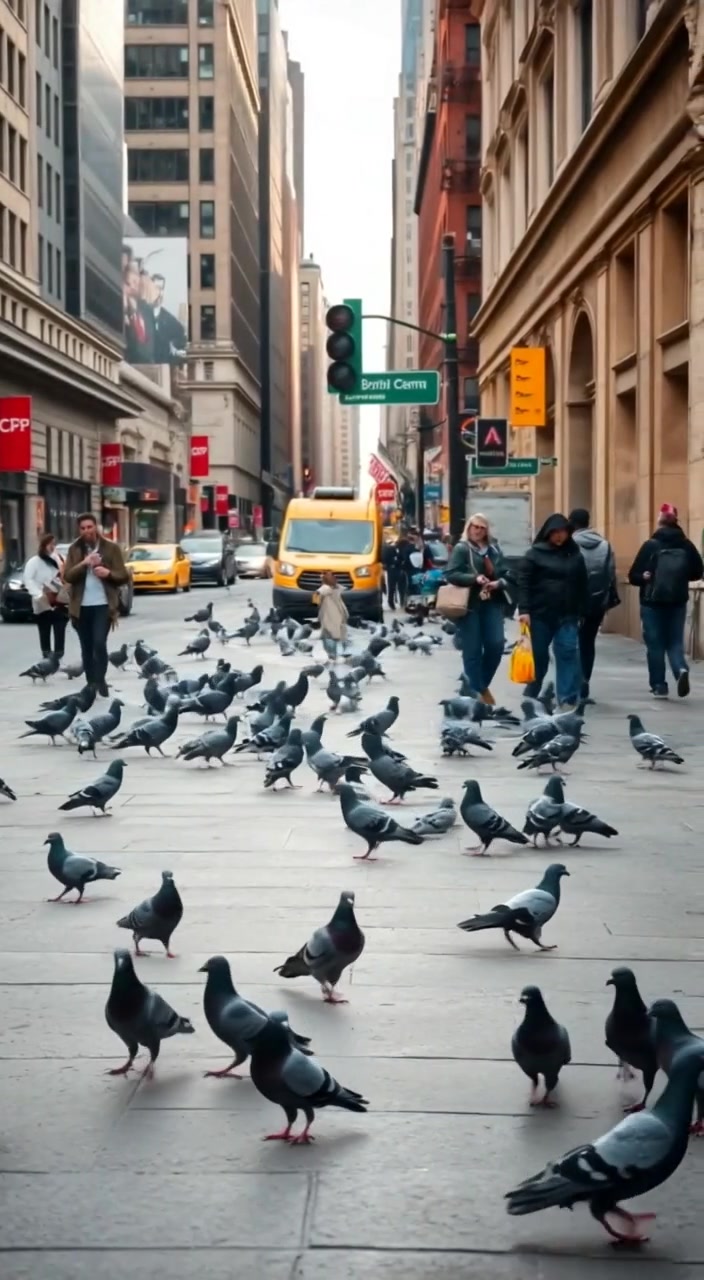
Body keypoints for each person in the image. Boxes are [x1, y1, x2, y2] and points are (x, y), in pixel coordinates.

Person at [627, 502, 703, 698]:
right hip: (677, 601)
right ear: (676, 522)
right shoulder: (686, 545)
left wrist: (644, 577)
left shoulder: (651, 545)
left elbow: (633, 576)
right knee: (675, 642)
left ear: (660, 522)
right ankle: (680, 670)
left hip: (651, 602)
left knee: (655, 644)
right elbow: (697, 572)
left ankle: (659, 685)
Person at [516, 513, 590, 710]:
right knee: (539, 656)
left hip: (568, 614)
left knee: (567, 653)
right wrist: (524, 610)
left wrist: (583, 609)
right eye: (555, 532)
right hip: (540, 614)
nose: (559, 536)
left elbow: (583, 584)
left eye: (563, 532)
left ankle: (567, 698)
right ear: (548, 533)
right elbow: (523, 583)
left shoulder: (575, 555)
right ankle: (532, 691)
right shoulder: (534, 555)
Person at [445, 512, 510, 704]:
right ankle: (477, 691)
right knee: (472, 649)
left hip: (492, 602)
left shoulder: (494, 549)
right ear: (469, 528)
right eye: (475, 526)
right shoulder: (462, 548)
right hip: (469, 604)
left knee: (496, 645)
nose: (478, 531)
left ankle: (478, 686)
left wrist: (498, 583)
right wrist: (474, 578)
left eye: (482, 528)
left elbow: (507, 573)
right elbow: (451, 573)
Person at [63, 513, 129, 696]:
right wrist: (84, 564)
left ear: (96, 527)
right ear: (79, 530)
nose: (87, 531)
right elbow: (67, 576)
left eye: (89, 527)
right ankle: (91, 683)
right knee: (86, 646)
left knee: (99, 643)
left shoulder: (111, 548)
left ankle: (100, 680)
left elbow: (124, 576)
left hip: (103, 605)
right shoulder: (74, 549)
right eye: (83, 528)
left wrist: (107, 573)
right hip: (81, 607)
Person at [569, 507, 619, 701]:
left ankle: (573, 683)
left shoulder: (569, 544)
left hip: (573, 602)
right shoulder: (604, 545)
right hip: (597, 601)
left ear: (572, 523)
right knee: (588, 642)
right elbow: (610, 572)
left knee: (569, 643)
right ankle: (585, 683)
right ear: (588, 522)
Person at [23, 532, 69, 660]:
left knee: (60, 627)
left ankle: (59, 654)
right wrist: (38, 594)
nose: (52, 547)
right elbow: (28, 579)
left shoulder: (59, 559)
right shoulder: (34, 562)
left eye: (54, 544)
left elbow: (65, 575)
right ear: (43, 545)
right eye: (49, 544)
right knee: (45, 628)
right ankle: (47, 655)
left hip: (59, 599)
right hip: (42, 600)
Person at [315, 570, 349, 664]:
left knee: (335, 635)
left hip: (336, 617)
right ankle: (332, 655)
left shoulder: (336, 589)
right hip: (329, 617)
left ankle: (335, 655)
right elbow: (317, 596)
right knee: (330, 635)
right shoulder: (325, 589)